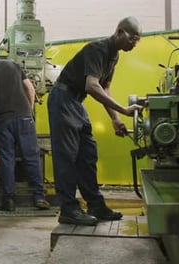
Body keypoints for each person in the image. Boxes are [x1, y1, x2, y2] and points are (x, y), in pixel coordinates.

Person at [47, 16, 143, 226]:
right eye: (133, 38)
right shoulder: (98, 49)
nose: (135, 44)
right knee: (67, 157)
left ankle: (95, 205)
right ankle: (69, 209)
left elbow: (104, 86)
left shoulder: (113, 56)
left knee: (87, 153)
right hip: (63, 99)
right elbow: (92, 86)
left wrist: (116, 119)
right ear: (119, 32)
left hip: (76, 102)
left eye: (138, 40)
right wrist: (125, 110)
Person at [0, 44, 51, 211]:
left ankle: (8, 201)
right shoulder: (13, 64)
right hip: (24, 118)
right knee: (31, 157)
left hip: (3, 120)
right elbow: (30, 87)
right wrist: (28, 111)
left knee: (6, 159)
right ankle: (39, 197)